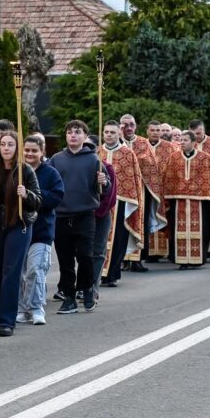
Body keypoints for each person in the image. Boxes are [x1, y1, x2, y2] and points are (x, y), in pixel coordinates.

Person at [50, 120, 106, 314]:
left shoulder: (94, 160)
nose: (73, 135)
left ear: (85, 136)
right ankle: (69, 297)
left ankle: (87, 287)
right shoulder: (56, 159)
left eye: (77, 132)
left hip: (85, 214)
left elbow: (104, 189)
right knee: (65, 260)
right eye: (69, 132)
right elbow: (49, 183)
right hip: (61, 215)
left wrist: (103, 181)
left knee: (85, 255)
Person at [161, 130, 210, 268]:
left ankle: (197, 259)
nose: (182, 143)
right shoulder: (173, 158)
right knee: (177, 230)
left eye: (185, 140)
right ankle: (181, 260)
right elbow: (167, 178)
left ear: (193, 142)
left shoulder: (204, 157)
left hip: (200, 202)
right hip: (177, 200)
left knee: (201, 229)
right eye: (181, 140)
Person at [0, 133, 41, 335]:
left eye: (10, 144)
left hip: (18, 223)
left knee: (11, 272)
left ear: (17, 147)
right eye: (2, 144)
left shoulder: (25, 170)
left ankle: (6, 320)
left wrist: (26, 194)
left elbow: (38, 200)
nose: (6, 148)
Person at [18, 134, 64, 325]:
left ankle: (36, 308)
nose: (30, 154)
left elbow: (56, 197)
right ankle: (21, 308)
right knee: (19, 273)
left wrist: (31, 196)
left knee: (35, 270)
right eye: (27, 150)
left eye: (34, 150)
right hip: (19, 228)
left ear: (42, 152)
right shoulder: (17, 171)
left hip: (41, 230)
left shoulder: (50, 173)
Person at [98, 120, 143, 286]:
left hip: (121, 203)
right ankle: (98, 273)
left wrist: (133, 201)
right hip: (100, 202)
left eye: (112, 132)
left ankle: (112, 275)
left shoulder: (127, 153)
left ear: (119, 134)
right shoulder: (97, 152)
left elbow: (135, 179)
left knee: (117, 239)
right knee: (99, 239)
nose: (109, 135)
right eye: (106, 132)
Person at [119, 115, 164, 271]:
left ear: (136, 126)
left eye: (131, 124)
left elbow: (151, 167)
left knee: (140, 223)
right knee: (121, 225)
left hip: (140, 192)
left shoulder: (143, 143)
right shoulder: (115, 143)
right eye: (125, 125)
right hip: (121, 193)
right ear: (120, 127)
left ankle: (137, 259)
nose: (128, 128)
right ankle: (122, 258)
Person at [88, 134, 117, 304]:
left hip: (99, 216)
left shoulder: (106, 168)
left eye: (91, 147)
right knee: (82, 253)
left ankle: (93, 288)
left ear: (98, 149)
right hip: (81, 216)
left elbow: (110, 197)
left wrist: (96, 212)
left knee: (97, 253)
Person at [145, 121, 176, 260]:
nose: (156, 132)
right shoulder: (142, 146)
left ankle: (167, 251)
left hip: (164, 190)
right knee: (147, 218)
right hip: (147, 190)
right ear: (147, 131)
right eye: (153, 130)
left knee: (166, 218)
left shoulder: (170, 147)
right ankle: (148, 252)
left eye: (158, 130)